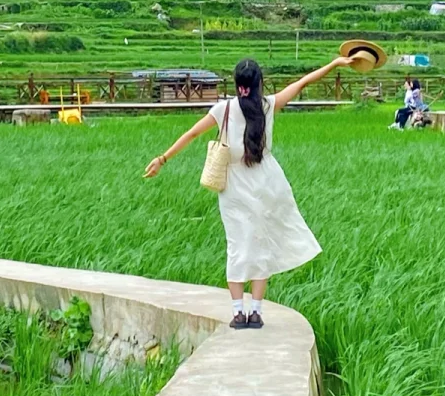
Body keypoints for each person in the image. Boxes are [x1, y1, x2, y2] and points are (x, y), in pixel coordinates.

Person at [144, 53, 359, 328]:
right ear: (259, 83)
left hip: (234, 185)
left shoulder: (224, 109)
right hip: (267, 182)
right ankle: (256, 312)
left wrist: (162, 159)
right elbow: (303, 82)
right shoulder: (269, 105)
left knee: (237, 245)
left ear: (237, 83)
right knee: (261, 244)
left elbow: (192, 134)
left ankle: (238, 313)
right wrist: (334, 64)